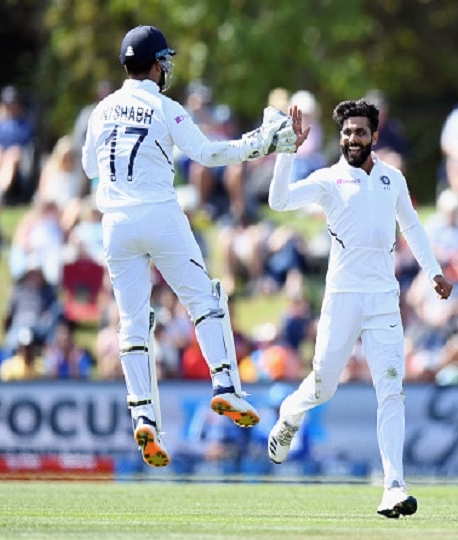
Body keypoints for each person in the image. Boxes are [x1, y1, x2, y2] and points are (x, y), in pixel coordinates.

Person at [80, 25, 297, 468]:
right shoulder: (164, 107)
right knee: (206, 300)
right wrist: (261, 142)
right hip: (159, 214)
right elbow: (209, 155)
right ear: (157, 64)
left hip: (115, 223)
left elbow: (88, 167)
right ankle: (225, 387)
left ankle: (143, 415)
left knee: (132, 323)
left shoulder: (101, 111)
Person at [266, 99, 453, 518]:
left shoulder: (392, 179)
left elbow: (413, 228)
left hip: (384, 301)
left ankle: (393, 486)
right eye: (347, 132)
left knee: (391, 391)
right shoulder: (329, 180)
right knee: (324, 386)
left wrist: (434, 272)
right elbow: (279, 201)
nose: (353, 139)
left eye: (360, 132)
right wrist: (287, 152)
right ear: (341, 136)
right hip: (343, 298)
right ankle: (291, 412)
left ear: (374, 135)